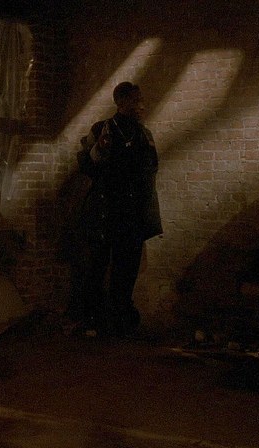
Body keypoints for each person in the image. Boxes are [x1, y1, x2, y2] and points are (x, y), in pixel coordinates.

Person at [69, 81, 162, 336]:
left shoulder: (144, 135)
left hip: (131, 215)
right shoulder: (101, 129)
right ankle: (92, 318)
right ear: (121, 102)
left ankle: (121, 318)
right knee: (96, 266)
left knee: (126, 269)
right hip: (105, 212)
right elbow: (86, 165)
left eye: (141, 100)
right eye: (136, 100)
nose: (141, 105)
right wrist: (100, 148)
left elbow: (152, 168)